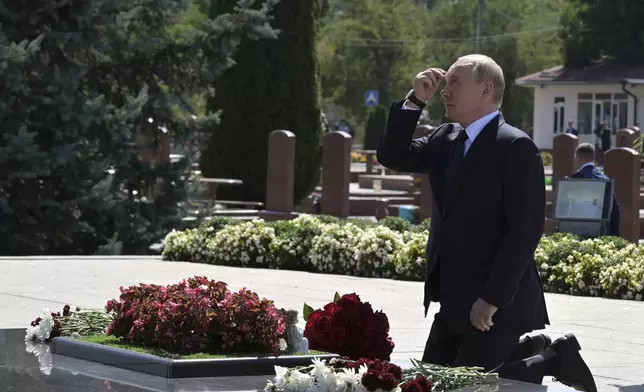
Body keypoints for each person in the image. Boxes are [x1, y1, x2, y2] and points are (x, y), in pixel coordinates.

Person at [377, 54, 596, 391]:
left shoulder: (515, 146)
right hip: (452, 297)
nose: (445, 91)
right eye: (445, 83)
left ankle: (554, 358)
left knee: (467, 387)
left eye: (455, 83)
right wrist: (415, 100)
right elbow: (391, 155)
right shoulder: (444, 138)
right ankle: (537, 351)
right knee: (426, 384)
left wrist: (491, 298)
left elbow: (525, 230)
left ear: (486, 89)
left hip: (497, 303)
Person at [572, 143, 621, 236]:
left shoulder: (578, 177)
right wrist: (614, 236)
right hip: (603, 230)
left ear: (578, 157)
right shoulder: (605, 178)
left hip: (583, 230)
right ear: (593, 157)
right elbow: (615, 209)